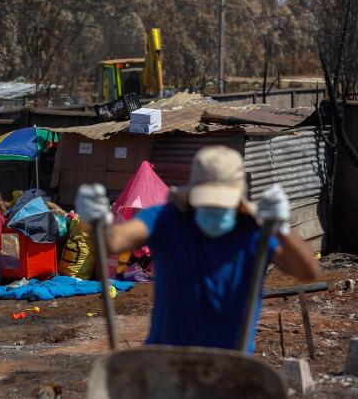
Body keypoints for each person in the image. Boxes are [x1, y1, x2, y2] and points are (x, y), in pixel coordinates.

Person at [75, 146, 321, 353]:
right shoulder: (167, 218)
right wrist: (99, 221)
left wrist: (281, 229)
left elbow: (307, 271)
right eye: (207, 202)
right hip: (167, 358)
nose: (213, 209)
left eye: (221, 204)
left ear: (238, 198)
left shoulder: (253, 230)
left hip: (228, 364)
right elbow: (112, 243)